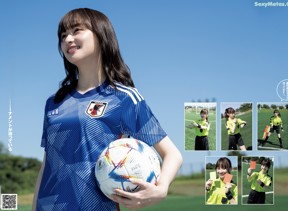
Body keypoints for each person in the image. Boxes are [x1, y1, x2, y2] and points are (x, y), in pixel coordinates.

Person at [32, 8, 182, 211]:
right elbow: (47, 164)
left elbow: (172, 154)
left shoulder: (124, 98)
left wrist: (161, 189)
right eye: (63, 35)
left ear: (102, 36)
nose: (68, 39)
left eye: (77, 30)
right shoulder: (54, 102)